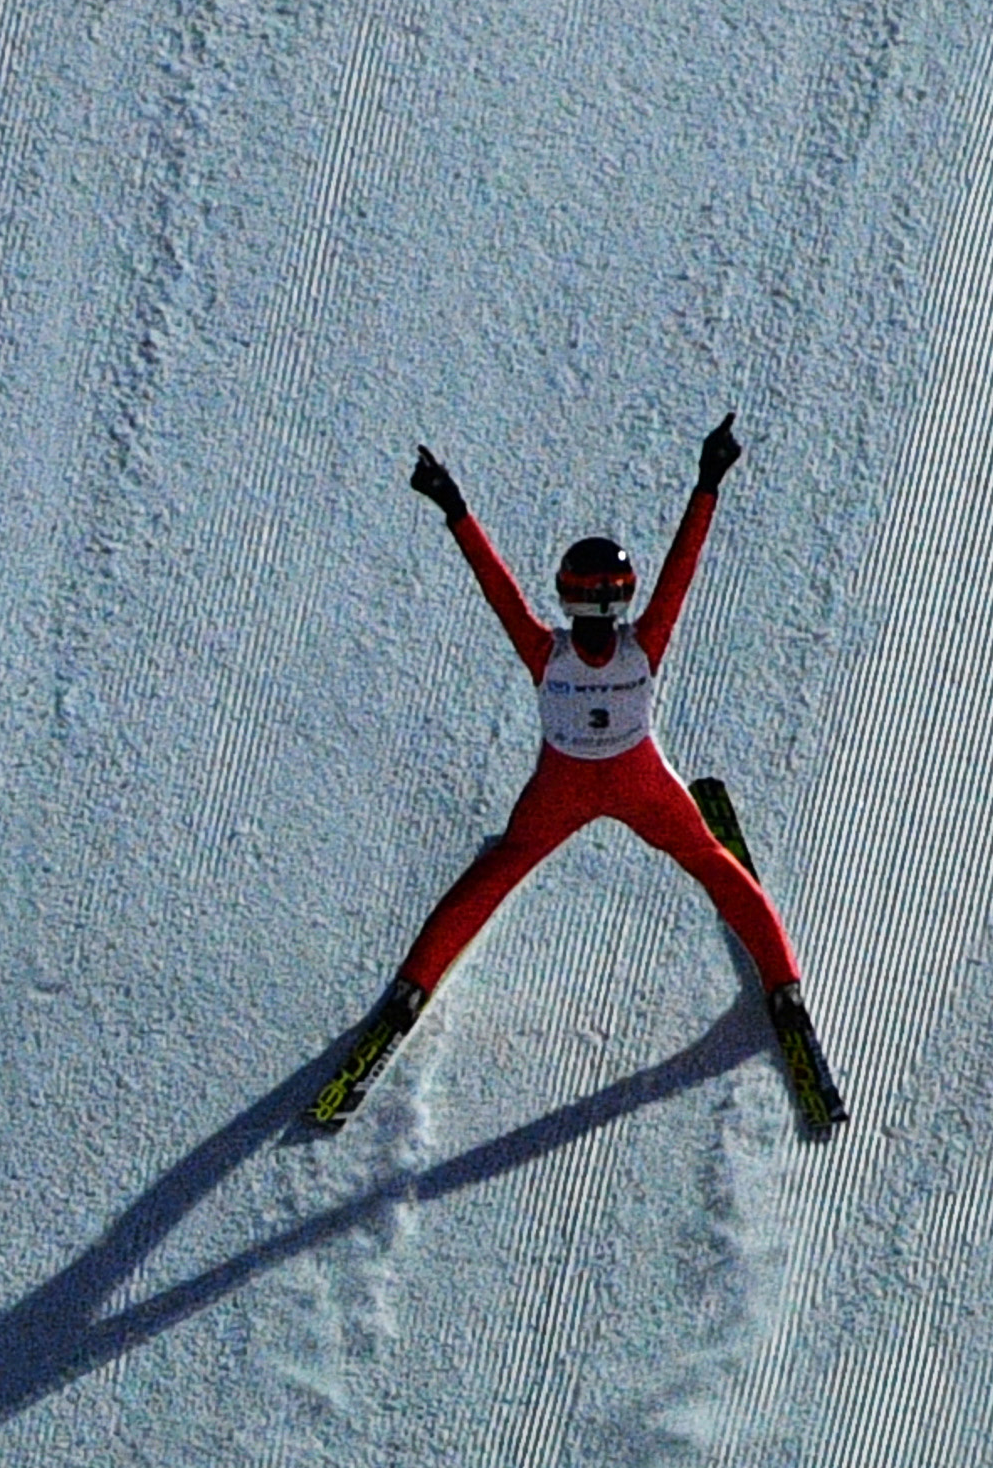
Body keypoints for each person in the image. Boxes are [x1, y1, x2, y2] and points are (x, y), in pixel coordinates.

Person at [305, 417, 845, 1139]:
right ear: (623, 596)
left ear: (565, 595)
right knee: (716, 869)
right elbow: (683, 571)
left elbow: (496, 588)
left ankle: (409, 993)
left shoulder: (544, 653)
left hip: (556, 792)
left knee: (489, 880)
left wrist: (453, 504)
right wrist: (708, 479)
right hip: (642, 787)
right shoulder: (643, 645)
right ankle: (786, 996)